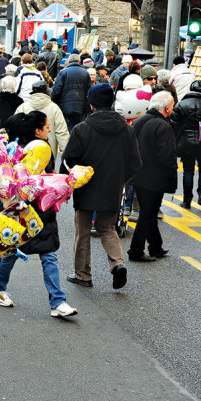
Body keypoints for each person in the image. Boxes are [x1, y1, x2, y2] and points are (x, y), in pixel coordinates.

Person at [0, 110, 78, 318]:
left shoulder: (30, 149)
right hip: (26, 209)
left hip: (38, 210)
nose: (50, 129)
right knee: (13, 252)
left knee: (46, 254)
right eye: (47, 126)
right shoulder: (33, 150)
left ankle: (58, 301)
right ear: (38, 130)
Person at [63, 84, 142, 290]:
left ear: (92, 103)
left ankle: (83, 274)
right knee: (107, 227)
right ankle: (117, 263)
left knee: (83, 230)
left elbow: (69, 159)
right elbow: (136, 163)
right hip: (112, 186)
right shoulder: (127, 129)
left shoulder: (82, 129)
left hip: (86, 185)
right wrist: (121, 178)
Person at [128, 90, 177, 262]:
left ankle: (155, 245)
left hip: (138, 175)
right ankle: (136, 250)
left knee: (149, 210)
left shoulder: (139, 121)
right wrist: (171, 180)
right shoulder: (163, 126)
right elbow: (167, 157)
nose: (172, 107)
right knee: (148, 213)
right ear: (166, 108)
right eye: (171, 105)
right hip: (154, 177)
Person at [171, 79, 201, 210]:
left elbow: (174, 125)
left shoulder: (181, 104)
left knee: (188, 170)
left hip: (186, 142)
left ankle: (186, 200)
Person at [16, 81, 70, 163]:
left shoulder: (22, 107)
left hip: (25, 155)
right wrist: (65, 157)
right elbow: (62, 133)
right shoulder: (54, 108)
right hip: (48, 156)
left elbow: (15, 129)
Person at [52, 54, 91, 131]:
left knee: (67, 128)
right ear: (79, 61)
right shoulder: (85, 73)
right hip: (80, 107)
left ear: (69, 61)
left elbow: (57, 90)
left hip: (65, 106)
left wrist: (54, 102)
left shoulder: (63, 72)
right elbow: (88, 91)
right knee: (79, 128)